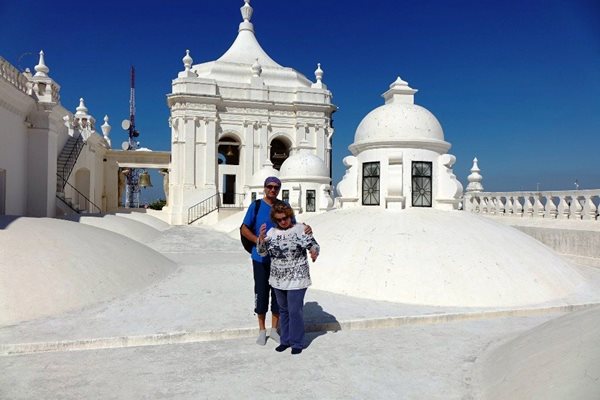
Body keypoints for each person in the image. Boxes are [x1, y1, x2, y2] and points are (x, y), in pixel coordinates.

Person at [257, 202, 319, 355]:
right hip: (278, 279)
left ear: (290, 216)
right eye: (279, 219)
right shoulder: (271, 233)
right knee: (283, 310)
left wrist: (313, 251)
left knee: (294, 311)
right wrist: (261, 239)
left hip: (297, 278)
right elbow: (262, 253)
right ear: (275, 220)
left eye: (286, 218)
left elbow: (313, 244)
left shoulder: (300, 229)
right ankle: (285, 340)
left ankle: (297, 342)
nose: (283, 221)